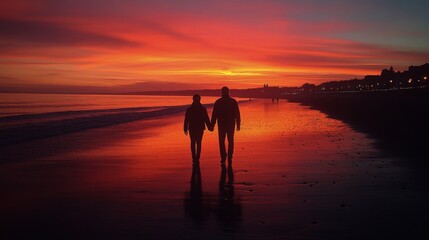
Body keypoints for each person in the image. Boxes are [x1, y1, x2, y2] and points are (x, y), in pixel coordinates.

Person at [211, 86, 241, 164]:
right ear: (228, 92)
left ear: (222, 92)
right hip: (230, 124)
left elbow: (214, 115)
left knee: (222, 141)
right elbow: (237, 114)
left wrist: (212, 125)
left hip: (221, 124)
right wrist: (238, 123)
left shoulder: (218, 102)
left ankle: (223, 157)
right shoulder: (233, 101)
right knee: (230, 140)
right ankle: (230, 156)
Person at [184, 94, 211, 163]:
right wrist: (209, 127)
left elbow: (186, 119)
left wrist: (185, 128)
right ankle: (197, 157)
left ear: (193, 99)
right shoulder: (202, 109)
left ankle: (194, 157)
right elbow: (206, 119)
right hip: (199, 128)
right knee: (198, 142)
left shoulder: (190, 109)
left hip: (193, 128)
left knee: (193, 142)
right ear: (199, 99)